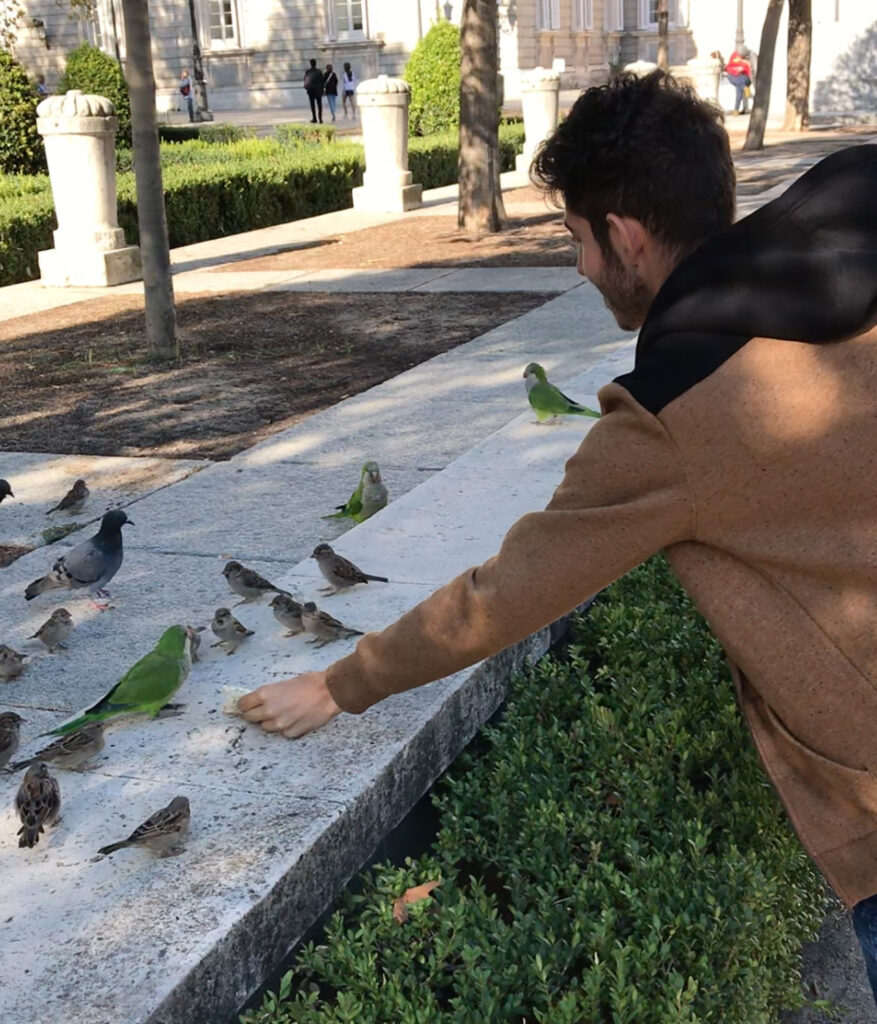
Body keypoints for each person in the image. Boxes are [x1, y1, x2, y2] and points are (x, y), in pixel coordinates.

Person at [240, 71, 877, 1006]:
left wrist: (339, 684)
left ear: (624, 234)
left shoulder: (673, 412)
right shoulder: (852, 275)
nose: (578, 269)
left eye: (576, 240)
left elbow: (511, 588)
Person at [724, 48, 752, 114]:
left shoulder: (748, 58)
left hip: (743, 77)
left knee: (739, 93)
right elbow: (730, 65)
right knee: (733, 79)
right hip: (735, 76)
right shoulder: (734, 55)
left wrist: (742, 67)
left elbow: (748, 70)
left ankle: (736, 110)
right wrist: (737, 69)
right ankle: (745, 88)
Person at [303, 58, 324, 124]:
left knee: (312, 105)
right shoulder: (319, 71)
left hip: (311, 90)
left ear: (310, 64)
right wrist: (322, 90)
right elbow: (322, 81)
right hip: (318, 90)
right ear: (316, 64)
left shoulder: (308, 71)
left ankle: (314, 118)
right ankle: (320, 118)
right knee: (319, 104)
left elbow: (305, 79)